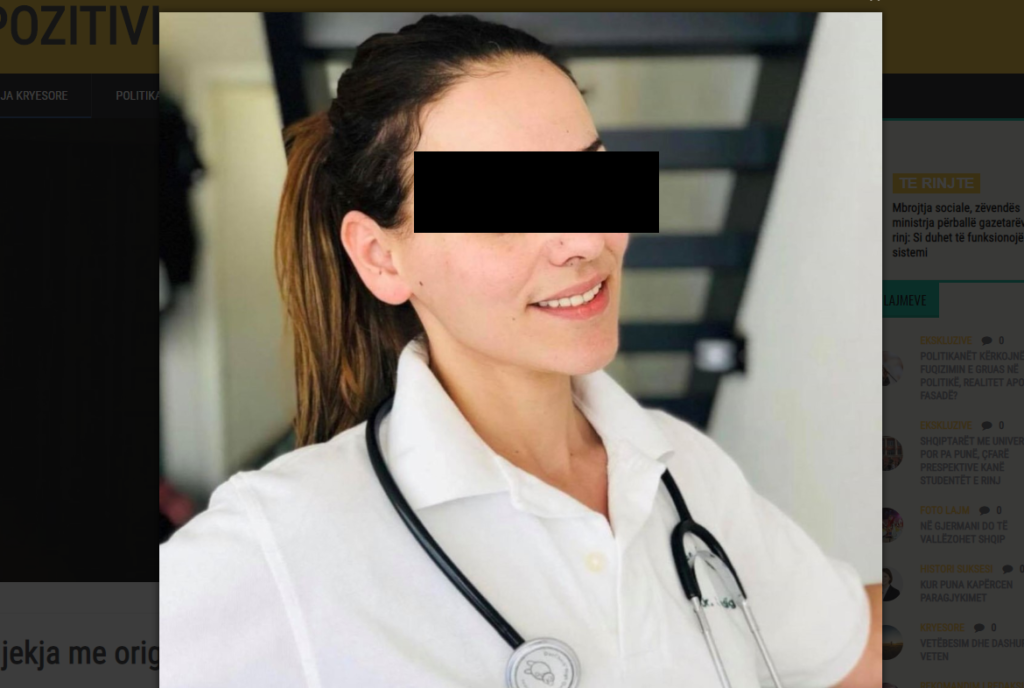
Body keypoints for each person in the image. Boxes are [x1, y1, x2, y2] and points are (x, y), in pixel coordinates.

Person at [159, 14, 883, 688]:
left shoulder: (683, 472)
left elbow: (854, 647)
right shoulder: (288, 539)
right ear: (380, 257)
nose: (586, 241)